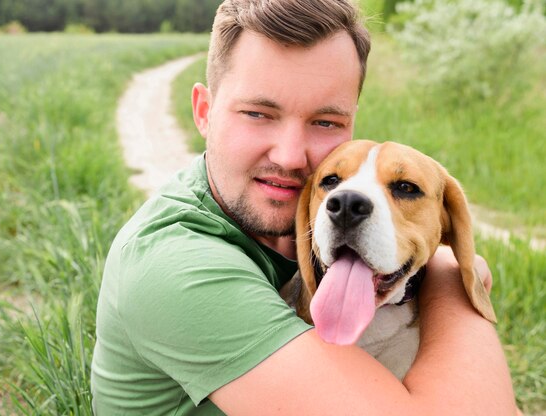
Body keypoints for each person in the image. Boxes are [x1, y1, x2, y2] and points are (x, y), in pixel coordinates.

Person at [90, 0, 517, 414]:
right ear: (205, 112)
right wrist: (453, 277)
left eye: (325, 122)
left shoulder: (304, 222)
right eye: (258, 113)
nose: (292, 156)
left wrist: (442, 259)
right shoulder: (176, 269)